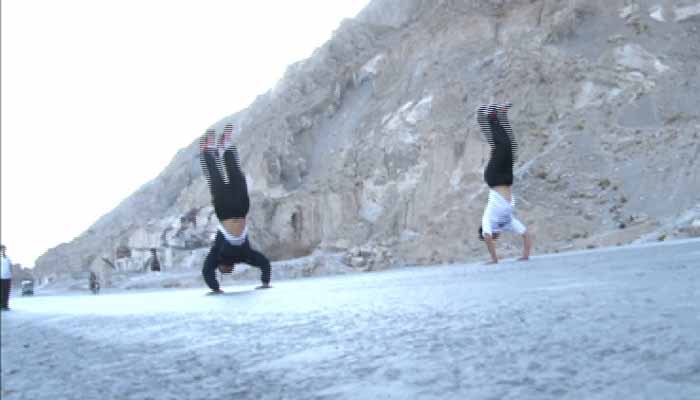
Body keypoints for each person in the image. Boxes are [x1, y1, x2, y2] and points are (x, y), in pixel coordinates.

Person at [199, 124, 272, 293]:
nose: (229, 270)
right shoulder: (246, 257)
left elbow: (206, 271)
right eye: (230, 271)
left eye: (225, 272)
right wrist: (265, 283)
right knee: (237, 175)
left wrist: (216, 288)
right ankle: (226, 146)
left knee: (215, 178)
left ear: (219, 269)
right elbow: (265, 264)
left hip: (224, 211)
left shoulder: (216, 256)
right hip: (241, 209)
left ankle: (207, 151)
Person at [476, 102, 533, 264]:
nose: (495, 236)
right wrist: (525, 255)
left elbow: (487, 237)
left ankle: (491, 118)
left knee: (503, 146)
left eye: (493, 236)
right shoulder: (507, 222)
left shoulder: (487, 220)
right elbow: (526, 234)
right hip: (507, 180)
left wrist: (494, 259)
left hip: (494, 178)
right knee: (510, 147)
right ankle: (499, 117)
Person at [1, 245, 13, 310]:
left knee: (6, 292)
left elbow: (11, 266)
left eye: (4, 249)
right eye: (2, 249)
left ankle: (5, 305)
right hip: (1, 277)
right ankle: (1, 305)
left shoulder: (8, 258)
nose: (3, 251)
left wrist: (11, 274)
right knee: (1, 292)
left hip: (7, 277)